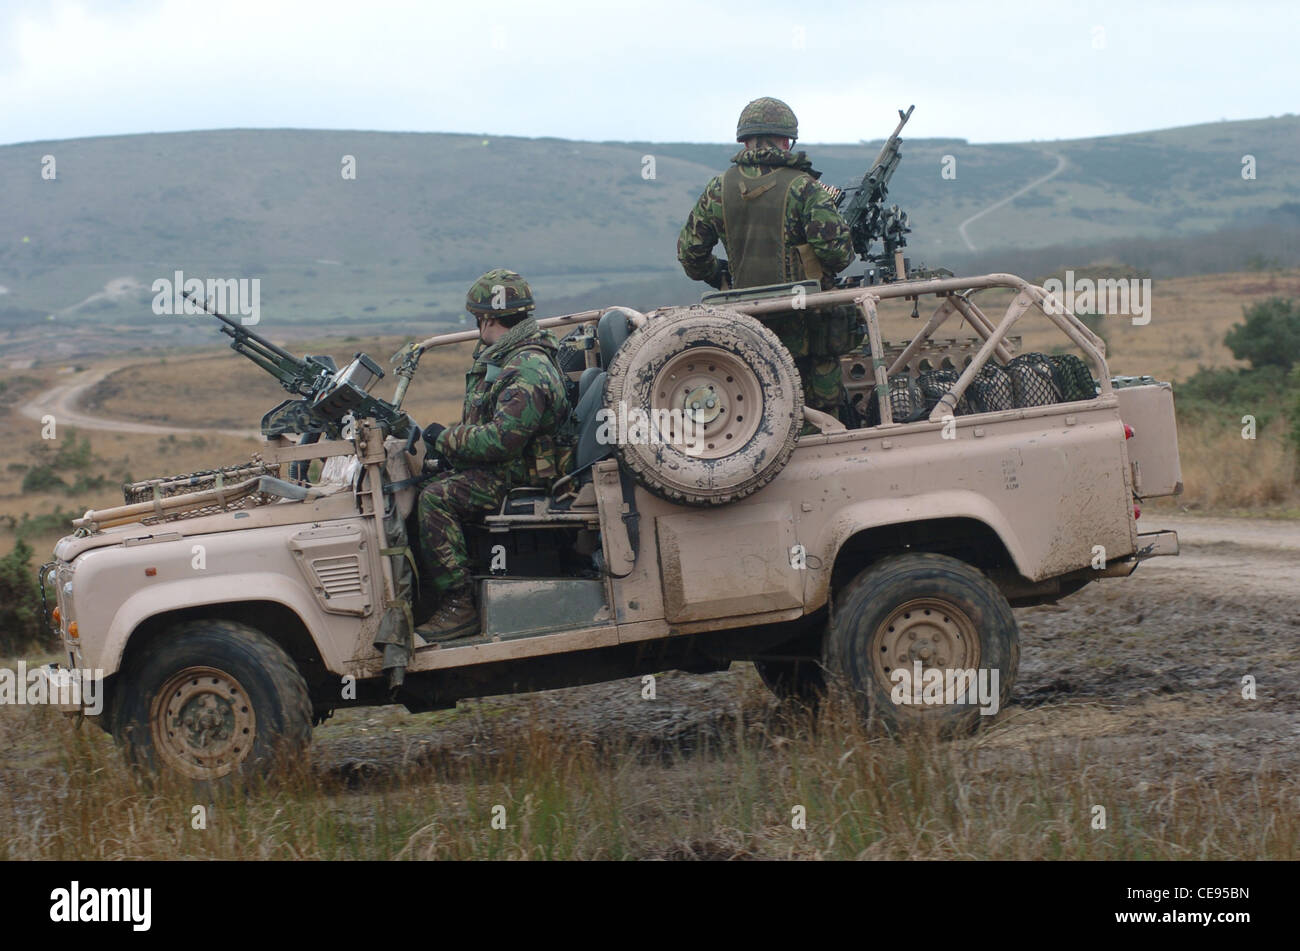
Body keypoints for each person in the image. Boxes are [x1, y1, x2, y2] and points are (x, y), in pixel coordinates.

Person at [677, 96, 856, 421]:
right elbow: (839, 254)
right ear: (787, 141)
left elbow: (690, 255)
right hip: (808, 335)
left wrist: (722, 276)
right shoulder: (806, 188)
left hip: (746, 336)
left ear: (744, 141)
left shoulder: (718, 188)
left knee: (757, 417)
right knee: (820, 426)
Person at [415, 268, 569, 641]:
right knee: (429, 480)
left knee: (434, 499)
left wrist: (443, 438)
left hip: (519, 475)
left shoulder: (526, 368)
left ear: (487, 319)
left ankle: (459, 605)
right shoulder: (511, 357)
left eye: (477, 319)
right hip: (508, 467)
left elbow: (501, 441)